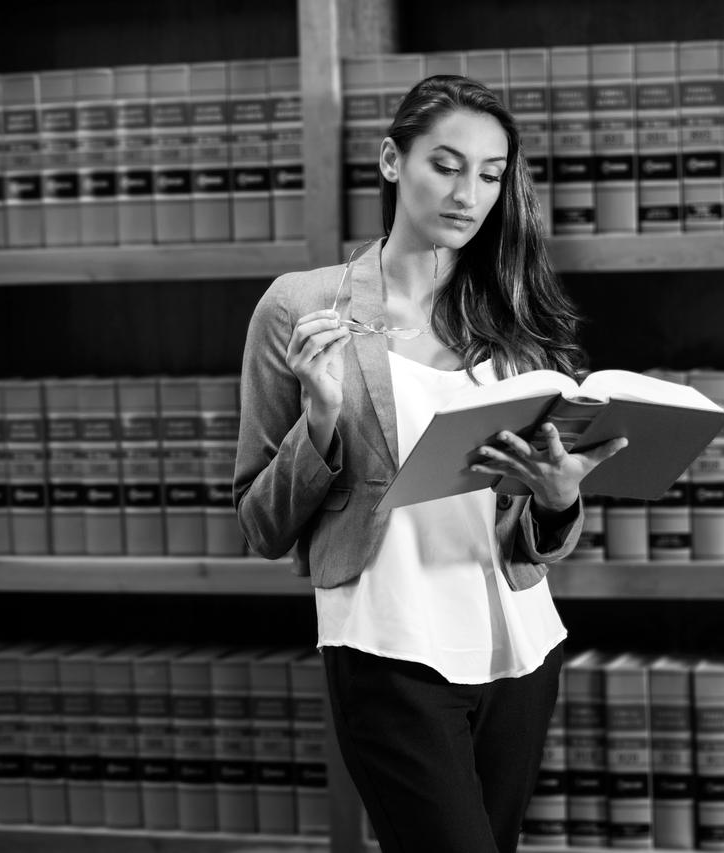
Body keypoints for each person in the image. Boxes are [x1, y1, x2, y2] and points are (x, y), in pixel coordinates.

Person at [233, 75, 626, 853]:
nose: (468, 193)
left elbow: (528, 533)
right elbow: (261, 522)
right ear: (391, 160)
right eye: (445, 165)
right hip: (388, 649)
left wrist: (555, 501)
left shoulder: (514, 324)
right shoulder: (301, 307)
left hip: (518, 647)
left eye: (489, 174)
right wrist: (317, 420)